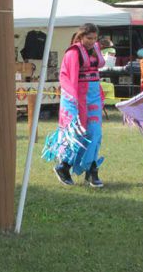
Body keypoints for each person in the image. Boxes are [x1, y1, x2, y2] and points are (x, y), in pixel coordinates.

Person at [43, 23, 106, 187]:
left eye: (94, 38)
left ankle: (91, 170)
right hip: (76, 97)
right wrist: (74, 104)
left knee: (95, 133)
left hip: (93, 97)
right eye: (89, 38)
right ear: (81, 37)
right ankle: (64, 166)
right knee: (77, 134)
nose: (92, 41)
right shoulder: (73, 53)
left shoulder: (95, 50)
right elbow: (68, 80)